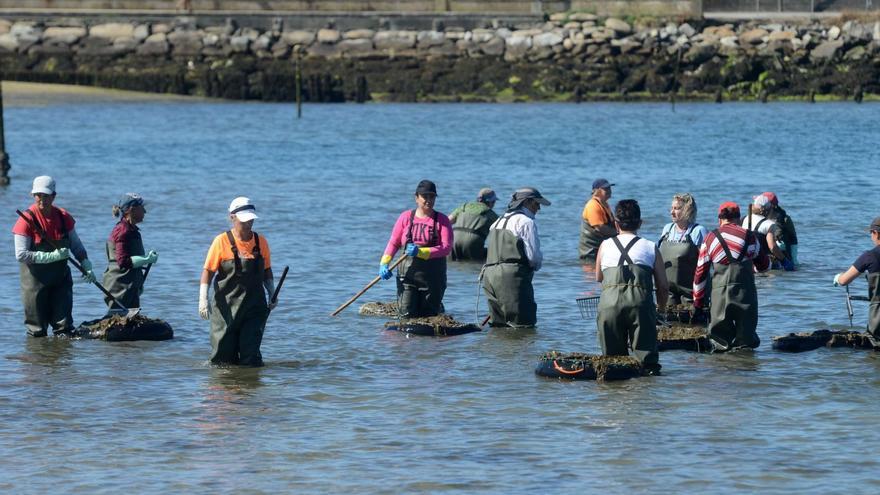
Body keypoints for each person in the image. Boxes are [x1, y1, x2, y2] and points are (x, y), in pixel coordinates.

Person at [12, 176, 97, 337]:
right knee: (37, 331)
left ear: (54, 196)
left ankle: (62, 361)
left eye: (46, 196)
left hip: (61, 280)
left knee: (64, 329)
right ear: (33, 196)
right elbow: (21, 255)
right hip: (35, 283)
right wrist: (51, 257)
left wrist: (85, 262)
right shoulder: (26, 220)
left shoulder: (63, 217)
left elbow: (76, 245)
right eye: (38, 195)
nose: (42, 199)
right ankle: (40, 361)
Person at [199, 197, 275, 366]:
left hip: (254, 308)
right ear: (232, 217)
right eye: (244, 221)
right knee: (222, 359)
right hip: (226, 309)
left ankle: (249, 389)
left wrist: (271, 292)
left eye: (250, 221)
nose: (248, 225)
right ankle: (225, 390)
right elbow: (208, 271)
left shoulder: (260, 242)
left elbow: (266, 271)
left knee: (251, 357)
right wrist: (203, 299)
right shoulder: (221, 241)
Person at [595, 199, 668, 375]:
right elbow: (663, 286)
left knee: (612, 363)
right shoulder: (650, 247)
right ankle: (643, 397)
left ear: (616, 223)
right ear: (640, 223)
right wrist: (661, 310)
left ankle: (616, 396)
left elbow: (599, 277)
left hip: (609, 306)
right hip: (640, 306)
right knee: (647, 363)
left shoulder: (605, 245)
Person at [693, 202, 770, 351]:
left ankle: (723, 370)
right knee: (746, 342)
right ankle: (745, 369)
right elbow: (765, 266)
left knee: (719, 341)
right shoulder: (750, 237)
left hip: (719, 297)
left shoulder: (710, 238)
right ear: (739, 218)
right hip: (745, 295)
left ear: (719, 219)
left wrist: (698, 303)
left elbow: (700, 273)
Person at [378, 180, 452, 318]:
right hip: (407, 277)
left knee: (429, 316)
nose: (429, 200)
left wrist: (421, 252)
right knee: (406, 314)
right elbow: (394, 243)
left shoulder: (442, 220)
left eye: (432, 197)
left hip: (433, 278)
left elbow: (446, 248)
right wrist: (384, 263)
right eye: (425, 196)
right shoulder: (405, 217)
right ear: (416, 197)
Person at [482, 187, 550, 327]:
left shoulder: (497, 222)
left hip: (489, 277)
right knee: (523, 326)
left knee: (498, 326)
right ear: (527, 202)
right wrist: (534, 267)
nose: (539, 208)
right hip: (512, 277)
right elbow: (533, 257)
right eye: (537, 204)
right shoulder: (526, 222)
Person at [102, 193, 158, 313]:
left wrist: (139, 283)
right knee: (117, 318)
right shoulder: (122, 231)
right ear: (132, 210)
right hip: (119, 288)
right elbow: (123, 261)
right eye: (142, 208)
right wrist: (146, 259)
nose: (145, 211)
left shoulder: (132, 230)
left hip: (131, 287)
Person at [832, 216, 880, 338]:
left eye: (871, 233)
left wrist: (838, 278)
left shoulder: (870, 256)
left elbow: (844, 280)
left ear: (876, 233)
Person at [658, 193, 708, 306]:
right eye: (671, 208)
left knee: (693, 321)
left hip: (690, 290)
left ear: (688, 210)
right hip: (669, 288)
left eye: (676, 208)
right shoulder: (667, 229)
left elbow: (705, 263)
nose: (672, 212)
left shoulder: (698, 231)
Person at [742, 194, 794, 271]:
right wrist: (784, 260)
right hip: (763, 262)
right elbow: (772, 247)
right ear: (766, 210)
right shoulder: (769, 224)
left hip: (748, 261)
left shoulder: (745, 219)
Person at [448, 188, 499, 261]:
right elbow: (502, 233)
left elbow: (447, 221)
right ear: (490, 202)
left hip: (453, 242)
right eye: (494, 202)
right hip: (472, 245)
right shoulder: (491, 214)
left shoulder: (464, 206)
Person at [579, 178, 616, 262]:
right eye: (605, 189)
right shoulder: (593, 205)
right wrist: (618, 233)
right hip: (590, 253)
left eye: (609, 188)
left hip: (600, 250)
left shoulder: (605, 204)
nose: (609, 191)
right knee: (591, 274)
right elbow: (600, 227)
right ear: (596, 191)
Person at [763, 192, 799, 266]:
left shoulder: (785, 219)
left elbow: (793, 239)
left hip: (783, 256)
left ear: (771, 205)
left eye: (763, 203)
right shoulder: (759, 218)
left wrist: (794, 260)